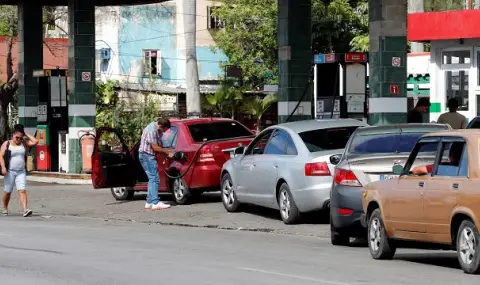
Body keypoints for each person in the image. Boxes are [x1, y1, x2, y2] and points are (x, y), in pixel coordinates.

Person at [0, 124, 39, 216]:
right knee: (8, 191)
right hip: (10, 171)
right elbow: (1, 156)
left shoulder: (24, 143)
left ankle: (25, 209)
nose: (18, 139)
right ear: (13, 135)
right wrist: (3, 167)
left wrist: (25, 133)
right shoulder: (7, 143)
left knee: (22, 190)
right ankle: (4, 208)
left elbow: (36, 141)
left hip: (21, 171)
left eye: (20, 138)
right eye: (17, 137)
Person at [139, 118, 173, 210]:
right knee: (154, 178)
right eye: (164, 130)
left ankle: (149, 202)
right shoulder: (151, 130)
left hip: (147, 156)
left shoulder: (156, 128)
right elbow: (155, 147)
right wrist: (167, 153)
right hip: (147, 156)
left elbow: (160, 143)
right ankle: (155, 202)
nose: (164, 132)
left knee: (151, 178)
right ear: (161, 126)